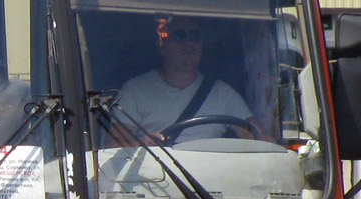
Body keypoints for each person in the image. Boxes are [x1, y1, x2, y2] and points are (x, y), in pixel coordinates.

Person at [111, 16, 259, 145]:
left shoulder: (222, 93)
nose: (189, 43)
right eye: (179, 36)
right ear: (162, 46)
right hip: (156, 175)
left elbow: (259, 138)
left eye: (195, 36)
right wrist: (142, 144)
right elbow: (112, 147)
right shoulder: (134, 91)